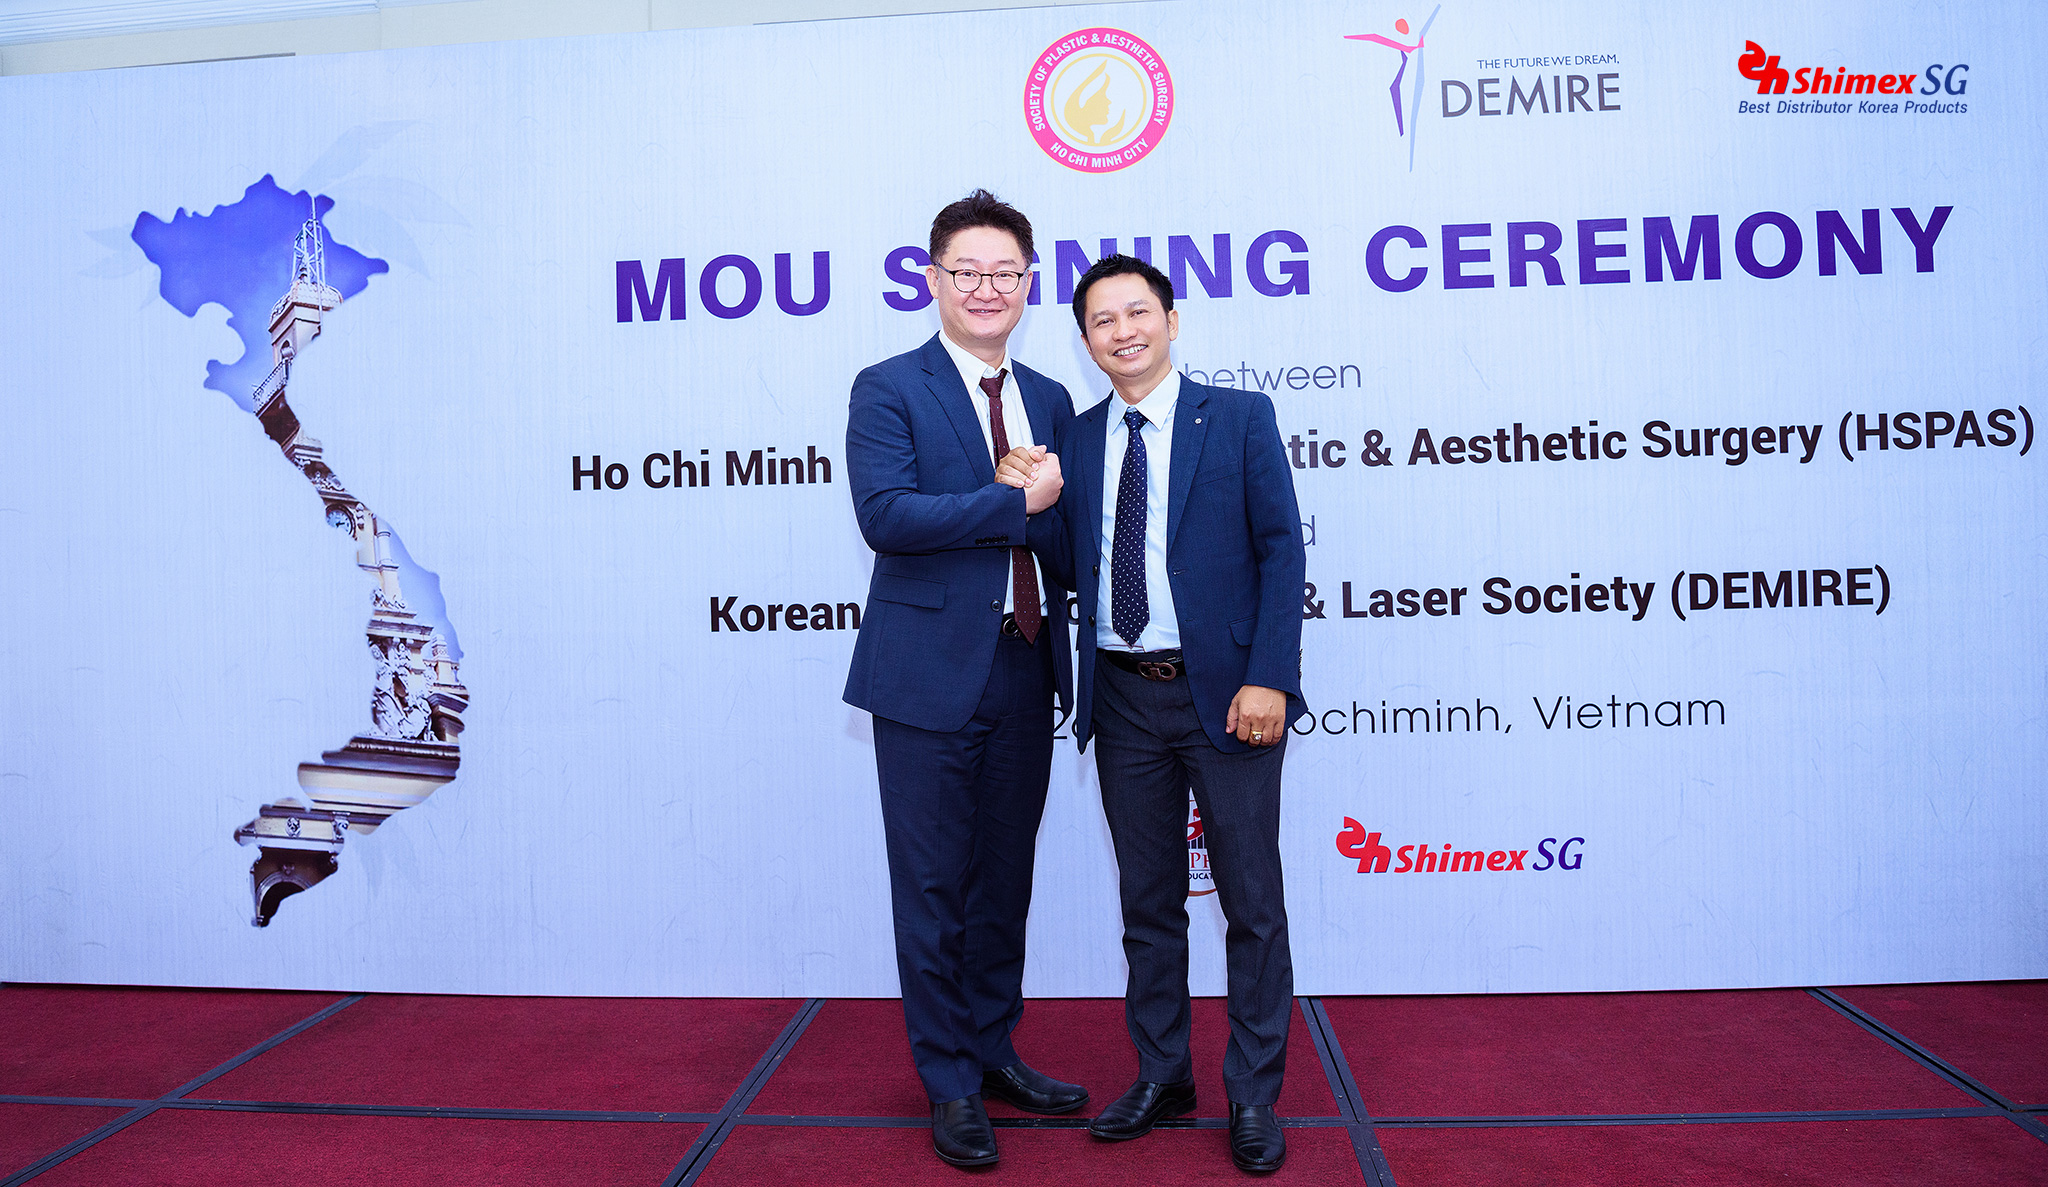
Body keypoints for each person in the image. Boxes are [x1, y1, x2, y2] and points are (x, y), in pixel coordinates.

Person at [999, 253, 1305, 1173]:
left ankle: (1253, 1095)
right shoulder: (1078, 438)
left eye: (1138, 313)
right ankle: (1164, 1073)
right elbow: (1065, 558)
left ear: (1171, 321)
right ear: (1085, 339)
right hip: (1123, 695)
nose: (1122, 331)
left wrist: (1270, 676)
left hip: (1229, 695)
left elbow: (1282, 550)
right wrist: (1023, 496)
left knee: (1252, 903)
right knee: (1148, 903)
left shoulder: (1239, 417)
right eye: (1103, 320)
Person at [842, 189, 1085, 1168]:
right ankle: (946, 1082)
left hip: (1025, 662)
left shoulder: (1050, 397)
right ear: (933, 278)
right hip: (925, 678)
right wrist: (1008, 499)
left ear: (1028, 282)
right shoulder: (888, 386)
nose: (987, 288)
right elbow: (887, 517)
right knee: (933, 885)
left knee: (1001, 881)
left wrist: (1055, 514)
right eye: (967, 271)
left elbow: (1061, 540)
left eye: (1005, 272)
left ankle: (991, 1051)